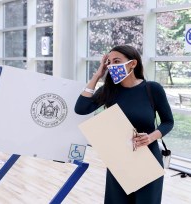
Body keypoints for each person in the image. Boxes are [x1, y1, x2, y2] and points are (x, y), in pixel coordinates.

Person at [74, 45, 174, 204]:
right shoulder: (109, 91)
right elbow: (81, 108)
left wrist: (151, 137)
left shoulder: (152, 89)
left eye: (117, 61)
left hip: (148, 159)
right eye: (109, 62)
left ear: (133, 64)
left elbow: (168, 122)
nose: (112, 66)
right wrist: (97, 75)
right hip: (119, 159)